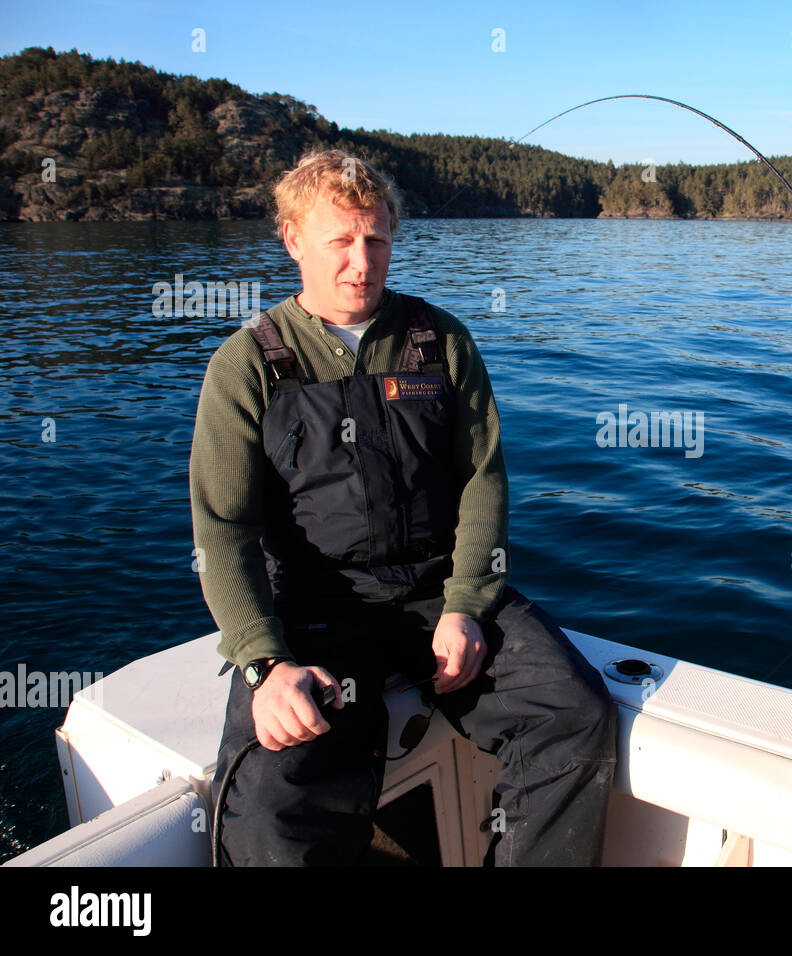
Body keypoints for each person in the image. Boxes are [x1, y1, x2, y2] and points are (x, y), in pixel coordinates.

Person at [189, 149, 617, 866]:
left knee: (573, 712)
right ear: (293, 240)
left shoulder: (440, 341)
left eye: (377, 239)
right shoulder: (246, 365)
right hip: (318, 608)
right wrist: (265, 664)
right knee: (272, 805)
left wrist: (466, 604)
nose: (363, 262)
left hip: (437, 590)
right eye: (341, 241)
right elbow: (222, 530)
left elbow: (483, 480)